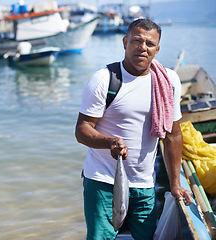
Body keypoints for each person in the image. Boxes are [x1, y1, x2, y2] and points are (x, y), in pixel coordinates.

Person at [74, 18, 193, 240]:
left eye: (149, 44)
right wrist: (108, 142)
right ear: (125, 42)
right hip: (103, 180)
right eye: (137, 41)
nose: (143, 48)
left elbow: (173, 135)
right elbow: (82, 129)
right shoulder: (104, 79)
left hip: (144, 182)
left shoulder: (168, 81)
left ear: (157, 50)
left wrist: (175, 184)